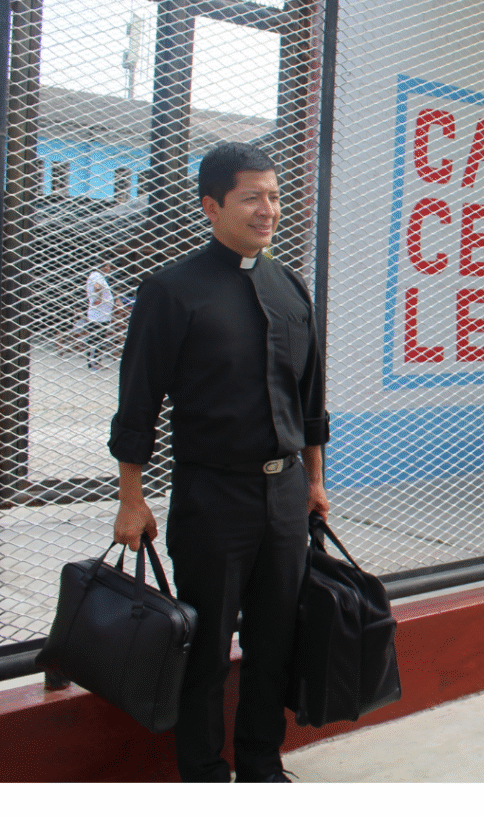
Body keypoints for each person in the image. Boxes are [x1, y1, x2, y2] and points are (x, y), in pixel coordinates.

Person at [108, 142, 330, 783]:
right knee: (204, 647)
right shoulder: (170, 292)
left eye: (275, 196)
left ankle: (261, 767)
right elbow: (138, 404)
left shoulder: (290, 288)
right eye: (251, 197)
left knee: (274, 640)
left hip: (284, 495)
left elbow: (310, 399)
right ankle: (204, 776)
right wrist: (131, 498)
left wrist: (315, 482)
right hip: (212, 498)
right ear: (212, 206)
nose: (268, 210)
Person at [84, 262, 114, 369]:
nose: (109, 268)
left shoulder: (97, 276)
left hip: (102, 314)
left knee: (99, 338)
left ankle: (96, 361)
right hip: (98, 314)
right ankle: (93, 362)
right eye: (107, 266)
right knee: (96, 338)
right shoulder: (97, 275)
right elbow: (97, 286)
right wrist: (98, 297)